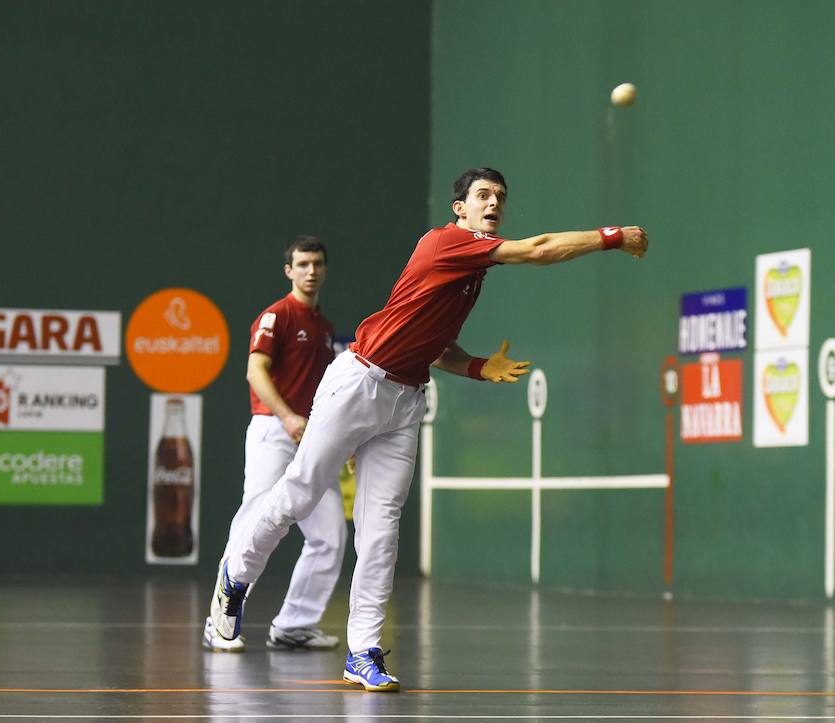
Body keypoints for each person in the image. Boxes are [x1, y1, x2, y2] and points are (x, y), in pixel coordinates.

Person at [209, 168, 648, 689]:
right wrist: (612, 238)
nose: (494, 204)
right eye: (483, 196)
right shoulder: (447, 243)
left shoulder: (470, 273)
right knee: (299, 494)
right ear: (458, 208)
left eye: (500, 198)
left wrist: (477, 366)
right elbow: (538, 250)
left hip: (405, 400)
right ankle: (234, 576)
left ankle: (363, 652)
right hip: (359, 384)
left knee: (381, 529)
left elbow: (434, 345)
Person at [202, 235, 347, 653]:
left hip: (312, 441)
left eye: (317, 263)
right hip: (273, 432)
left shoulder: (322, 327)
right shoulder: (276, 316)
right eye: (302, 264)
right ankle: (220, 620)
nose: (311, 270)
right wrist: (286, 416)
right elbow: (255, 372)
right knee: (253, 521)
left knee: (329, 536)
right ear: (289, 270)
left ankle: (295, 625)